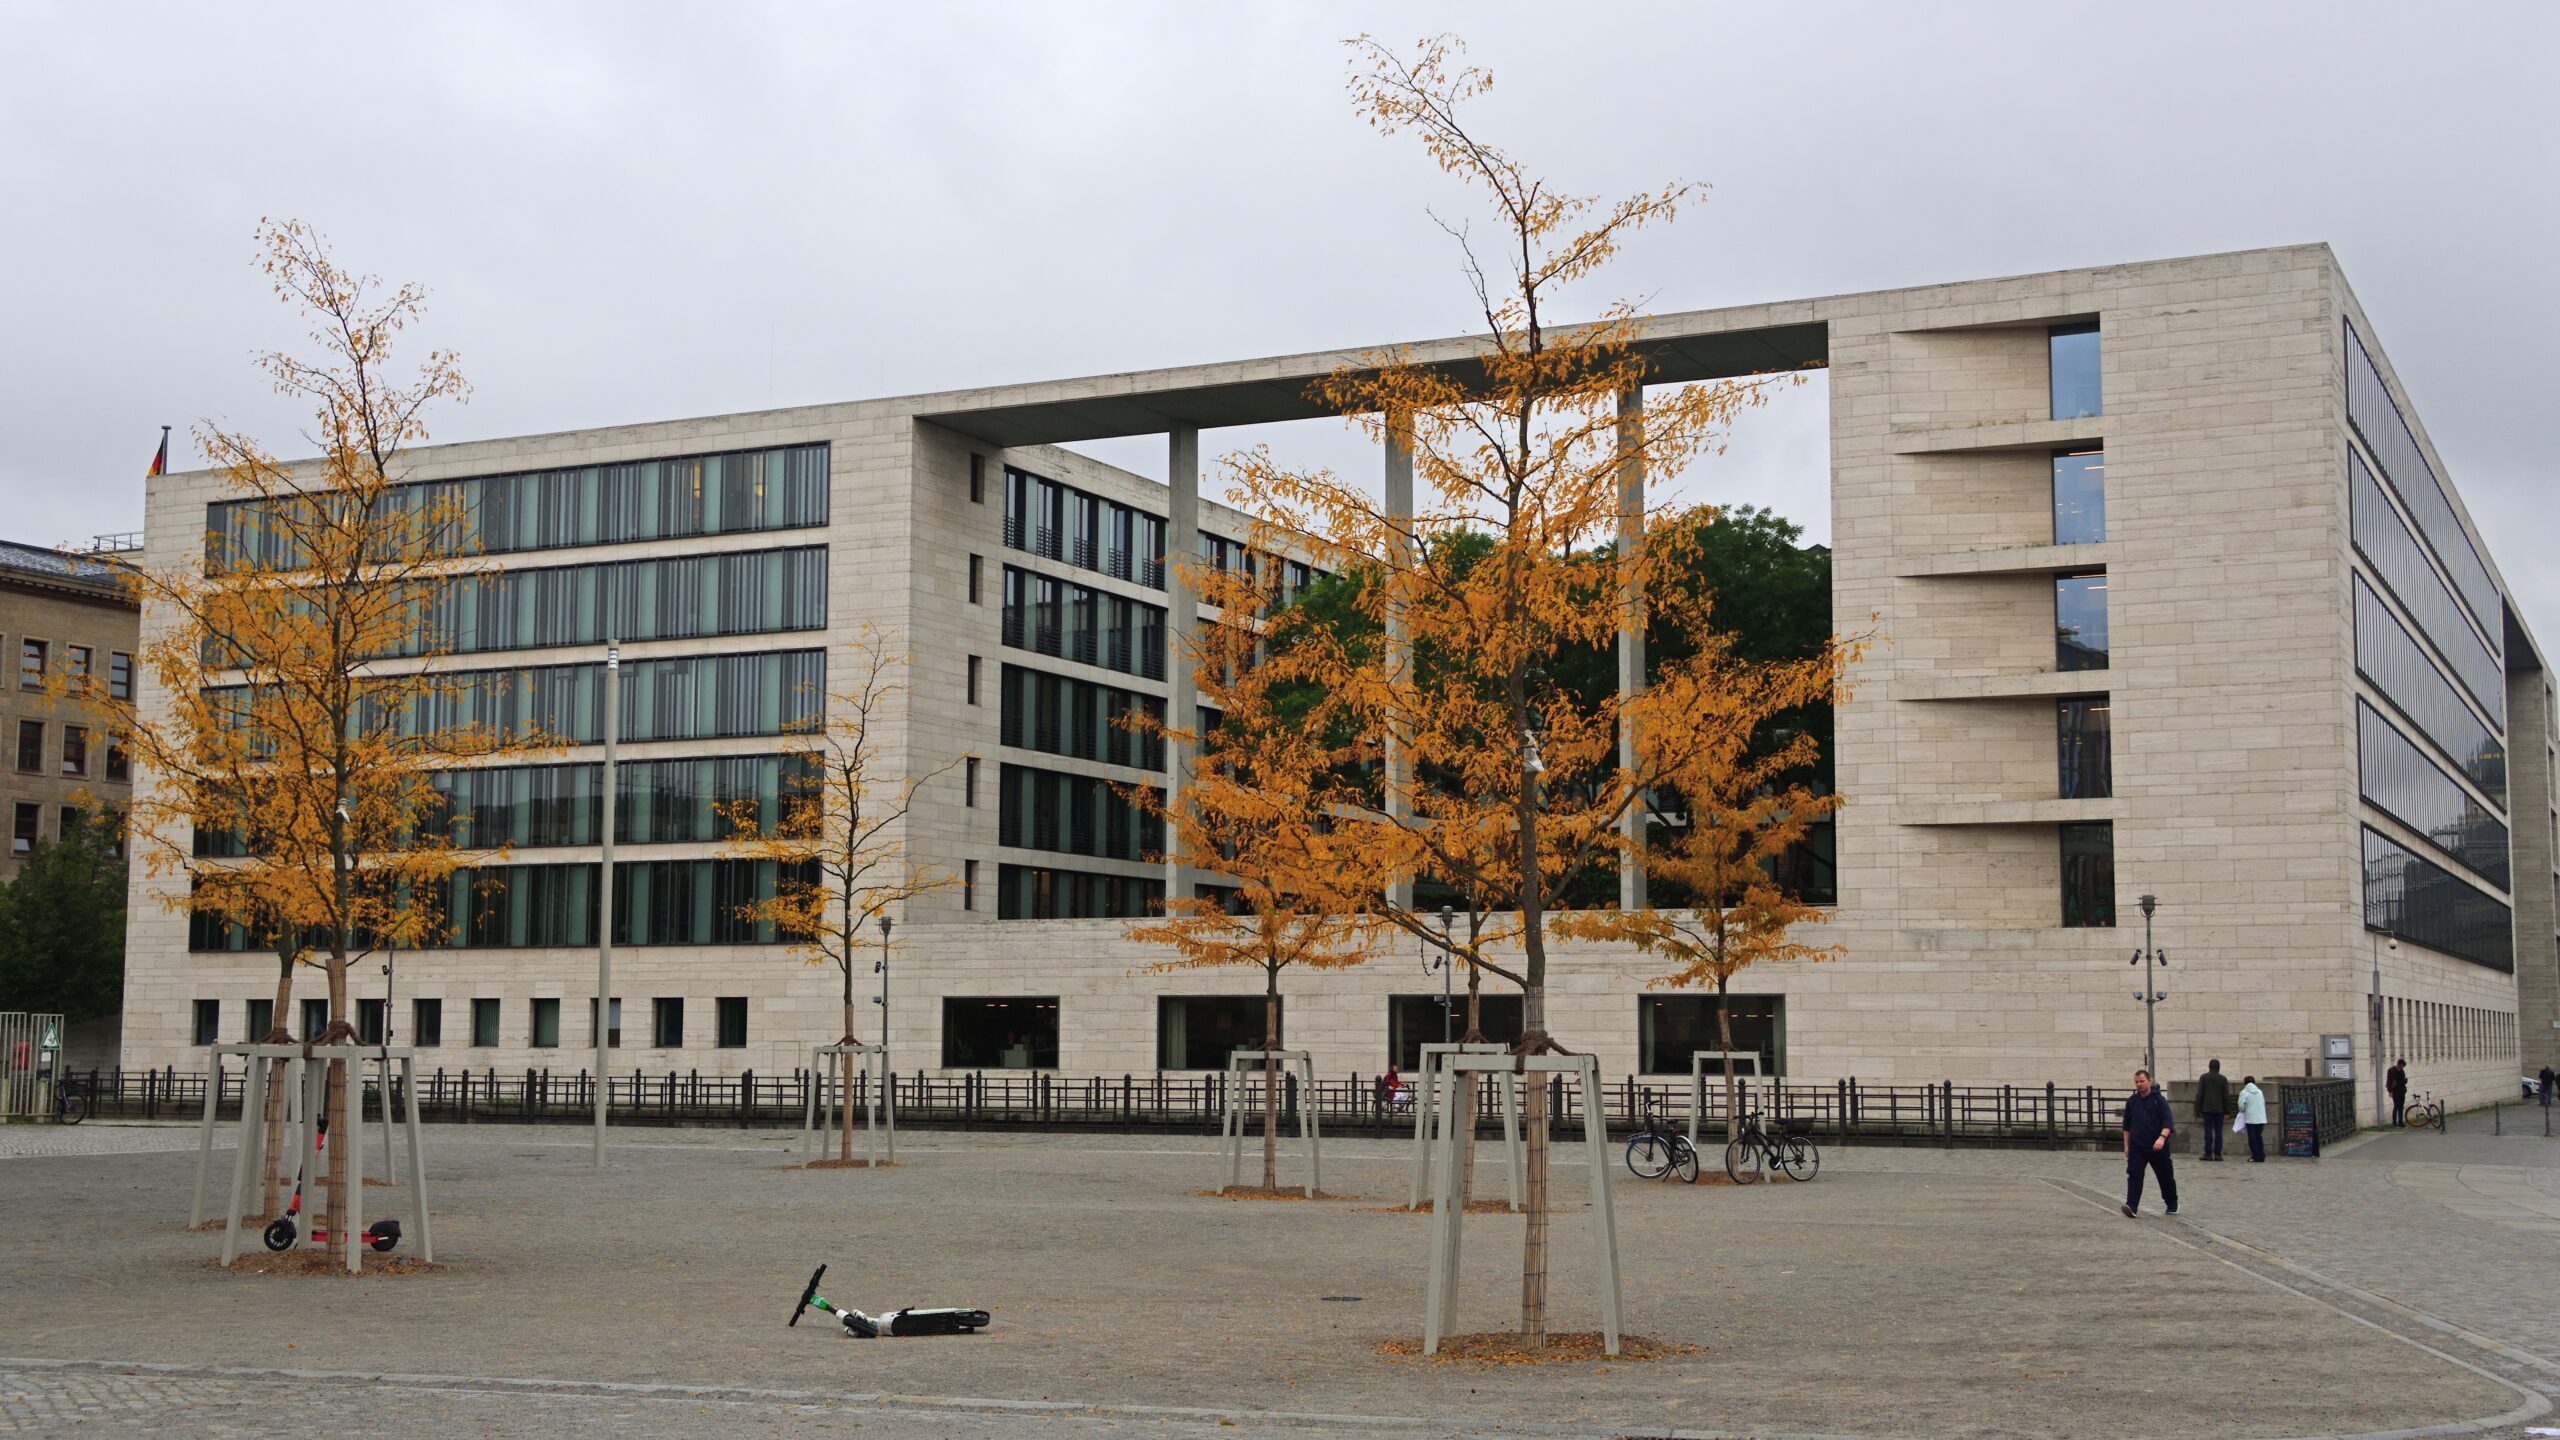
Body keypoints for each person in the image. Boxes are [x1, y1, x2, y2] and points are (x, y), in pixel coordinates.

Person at [2121, 1067, 2177, 1217]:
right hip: (2137, 1146)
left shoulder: (2159, 1100)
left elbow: (2168, 1123)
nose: (2139, 1084)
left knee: (2165, 1177)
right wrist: (2126, 1146)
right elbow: (2126, 1126)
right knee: (2134, 1175)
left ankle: (2172, 1203)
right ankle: (2132, 1206)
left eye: (2142, 1081)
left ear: (2149, 1081)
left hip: (2157, 1147)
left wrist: (2161, 1138)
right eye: (2136, 1082)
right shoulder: (2132, 1101)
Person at [2195, 1059, 2231, 1162]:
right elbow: (2226, 1096)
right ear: (2219, 1067)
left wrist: (2198, 1109)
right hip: (2219, 1110)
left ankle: (2208, 1153)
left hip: (2206, 1109)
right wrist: (2227, 1111)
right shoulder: (2223, 1079)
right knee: (2219, 1132)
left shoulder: (2204, 1077)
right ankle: (2218, 1154)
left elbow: (2200, 1095)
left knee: (2208, 1131)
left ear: (2209, 1067)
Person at [2236, 1074, 2267, 1162]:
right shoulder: (2260, 1091)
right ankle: (2261, 1155)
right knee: (2259, 1137)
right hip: (2260, 1118)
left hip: (2250, 1118)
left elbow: (2241, 1107)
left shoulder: (2244, 1092)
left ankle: (2255, 1156)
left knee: (2252, 1138)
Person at [2387, 1058, 2409, 1127]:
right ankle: (2394, 1122)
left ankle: (2400, 1122)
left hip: (2402, 1091)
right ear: (2399, 1064)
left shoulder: (2402, 1071)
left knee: (2401, 1107)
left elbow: (2403, 1081)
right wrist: (2390, 1091)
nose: (2402, 1068)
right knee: (2396, 1106)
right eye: (2402, 1066)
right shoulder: (2391, 1070)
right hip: (2395, 1091)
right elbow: (2389, 1082)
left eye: (2403, 1067)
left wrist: (2405, 1080)